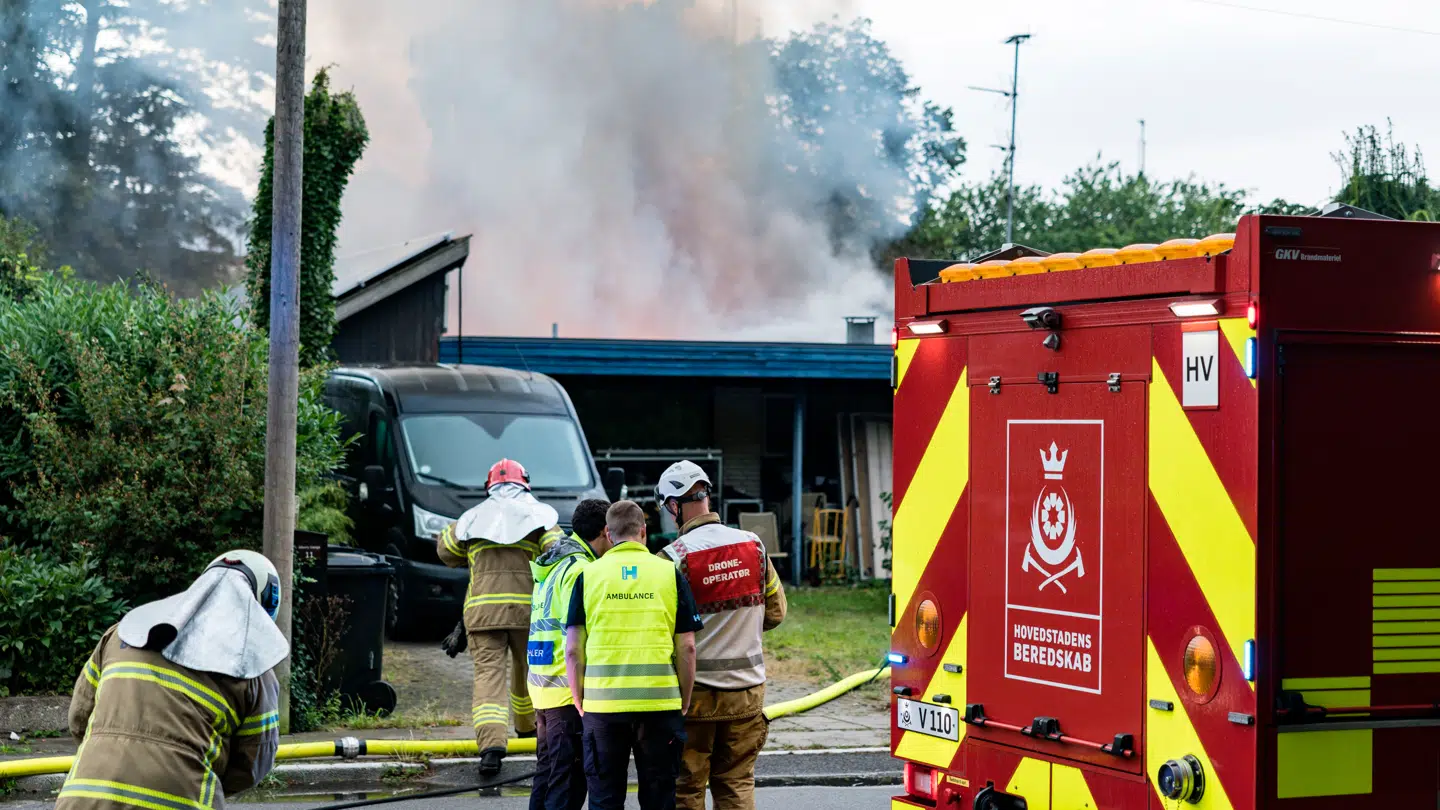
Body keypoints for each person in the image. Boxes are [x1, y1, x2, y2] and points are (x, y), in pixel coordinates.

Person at [58, 550, 289, 810]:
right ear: (263, 601)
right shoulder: (253, 669)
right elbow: (253, 762)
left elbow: (79, 718)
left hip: (83, 800)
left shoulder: (121, 634)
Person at [655, 460, 787, 810]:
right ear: (706, 496)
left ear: (673, 505)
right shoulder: (753, 545)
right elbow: (776, 612)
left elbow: (661, 630)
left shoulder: (672, 558)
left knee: (687, 788)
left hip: (693, 698)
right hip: (746, 694)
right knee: (736, 785)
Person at [564, 500, 703, 810]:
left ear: (609, 535)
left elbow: (573, 649)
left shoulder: (588, 576)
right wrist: (684, 697)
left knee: (604, 797)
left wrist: (578, 697)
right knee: (659, 798)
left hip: (602, 706)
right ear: (643, 531)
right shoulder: (669, 573)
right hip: (659, 705)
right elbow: (688, 647)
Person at [437, 458, 565, 776]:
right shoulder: (540, 518)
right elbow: (558, 551)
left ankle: (492, 749)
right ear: (525, 484)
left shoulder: (472, 519)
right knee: (530, 673)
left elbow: (445, 550)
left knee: (488, 680)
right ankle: (529, 733)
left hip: (481, 616)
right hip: (528, 615)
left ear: (488, 486)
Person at [526, 498, 613, 810]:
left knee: (548, 774)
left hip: (542, 683)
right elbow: (581, 637)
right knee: (567, 781)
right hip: (565, 689)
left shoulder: (555, 562)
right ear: (605, 531)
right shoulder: (582, 570)